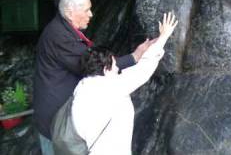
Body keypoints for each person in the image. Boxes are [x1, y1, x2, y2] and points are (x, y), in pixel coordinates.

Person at [33, 0, 151, 155]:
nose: (91, 14)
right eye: (87, 10)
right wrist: (136, 56)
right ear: (70, 12)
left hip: (59, 114)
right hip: (56, 120)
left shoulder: (63, 28)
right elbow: (95, 64)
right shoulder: (59, 37)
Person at [51, 12, 178, 155]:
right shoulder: (110, 89)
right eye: (115, 65)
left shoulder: (82, 88)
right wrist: (164, 36)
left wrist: (138, 52)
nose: (118, 68)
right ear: (106, 69)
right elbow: (143, 69)